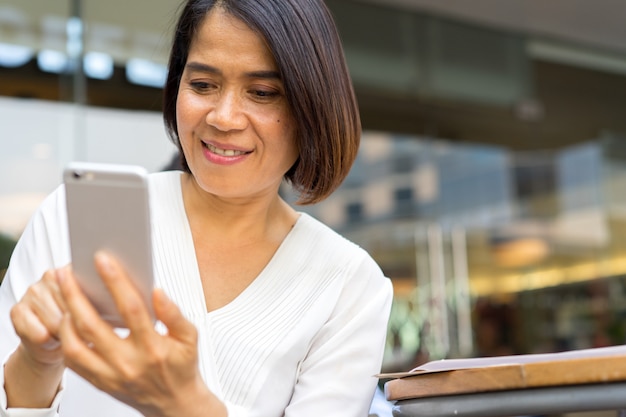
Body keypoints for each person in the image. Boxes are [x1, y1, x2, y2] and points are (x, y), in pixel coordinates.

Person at [0, 0, 393, 416]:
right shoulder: (70, 217)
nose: (223, 118)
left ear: (313, 107)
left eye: (261, 93)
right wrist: (37, 363)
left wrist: (185, 404)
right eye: (203, 85)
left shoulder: (350, 285)